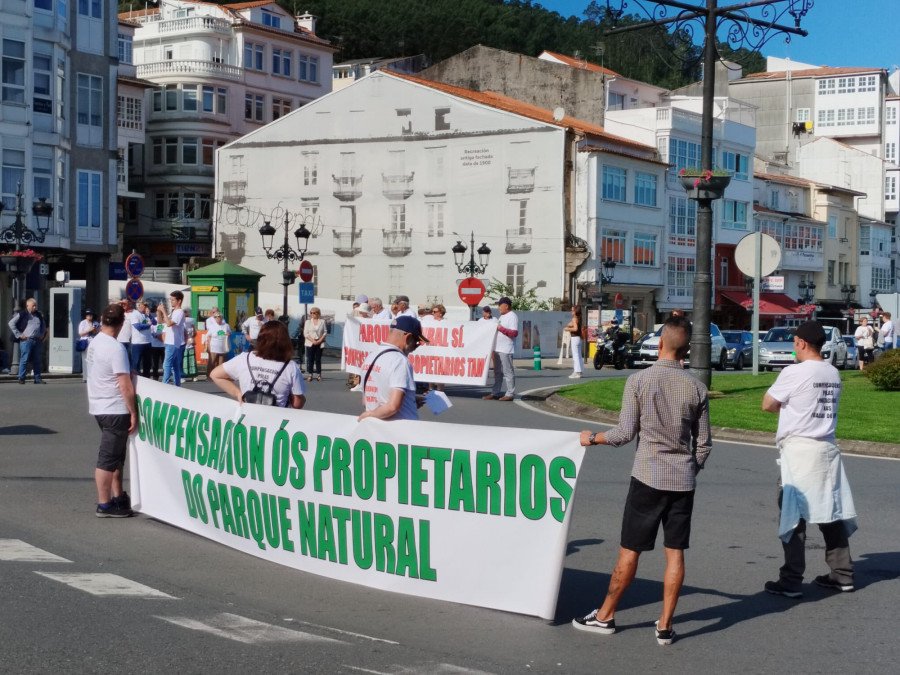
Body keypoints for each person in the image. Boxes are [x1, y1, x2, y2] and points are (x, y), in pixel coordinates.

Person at [573, 315, 711, 646]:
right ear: (687, 350)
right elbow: (703, 444)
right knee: (675, 553)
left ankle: (605, 615)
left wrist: (591, 438)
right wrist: (690, 468)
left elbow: (623, 434)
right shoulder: (697, 387)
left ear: (660, 343)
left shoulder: (638, 381)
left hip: (647, 477)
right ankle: (665, 624)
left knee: (630, 551)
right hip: (682, 482)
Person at [761, 320, 857, 598]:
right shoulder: (832, 372)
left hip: (799, 450)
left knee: (793, 515)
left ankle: (791, 580)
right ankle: (842, 574)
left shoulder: (794, 372)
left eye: (794, 341)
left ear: (801, 343)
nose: (793, 345)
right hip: (826, 448)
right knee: (830, 512)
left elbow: (767, 404)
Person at [84, 303, 137, 518]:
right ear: (121, 324)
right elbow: (124, 384)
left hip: (98, 404)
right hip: (114, 407)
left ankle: (118, 495)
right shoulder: (116, 348)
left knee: (116, 455)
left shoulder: (96, 342)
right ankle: (104, 504)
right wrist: (132, 411)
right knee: (108, 457)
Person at [210, 321, 306, 409]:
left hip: (249, 417)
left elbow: (215, 374)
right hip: (277, 420)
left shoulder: (244, 358)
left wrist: (238, 393)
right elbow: (297, 404)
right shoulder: (290, 366)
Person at [358, 315, 428, 421]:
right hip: (400, 429)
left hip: (375, 427)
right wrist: (369, 415)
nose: (416, 347)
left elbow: (366, 401)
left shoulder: (370, 357)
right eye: (417, 342)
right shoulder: (400, 361)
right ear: (408, 337)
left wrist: (410, 401)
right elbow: (392, 406)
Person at [483, 297, 518, 401]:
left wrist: (501, 329)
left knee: (508, 372)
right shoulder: (502, 316)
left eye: (500, 305)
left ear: (506, 306)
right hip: (497, 348)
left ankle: (510, 393)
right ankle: (495, 392)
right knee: (497, 372)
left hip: (506, 349)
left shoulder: (512, 316)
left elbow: (514, 333)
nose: (498, 307)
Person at [8, 297, 48, 384]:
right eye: (33, 306)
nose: (35, 307)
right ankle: (21, 377)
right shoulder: (23, 314)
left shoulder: (38, 314)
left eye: (35, 306)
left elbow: (43, 325)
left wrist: (42, 334)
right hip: (26, 340)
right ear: (27, 306)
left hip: (36, 340)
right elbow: (11, 323)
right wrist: (18, 334)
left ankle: (37, 378)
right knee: (24, 359)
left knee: (37, 360)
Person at [157, 290, 186, 386]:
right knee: (174, 366)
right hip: (169, 341)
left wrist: (164, 311)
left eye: (173, 300)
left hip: (173, 342)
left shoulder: (179, 312)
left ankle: (164, 385)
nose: (171, 302)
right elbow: (161, 322)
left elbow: (169, 324)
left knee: (167, 364)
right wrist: (158, 311)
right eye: (170, 300)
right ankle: (177, 385)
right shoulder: (173, 312)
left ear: (179, 301)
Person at [129, 300, 153, 377]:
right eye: (144, 305)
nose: (146, 307)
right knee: (136, 363)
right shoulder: (134, 314)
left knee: (147, 363)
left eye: (146, 305)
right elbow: (137, 326)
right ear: (138, 305)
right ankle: (135, 379)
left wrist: (149, 315)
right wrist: (148, 325)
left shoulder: (145, 315)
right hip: (138, 343)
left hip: (147, 342)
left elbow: (155, 322)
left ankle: (147, 378)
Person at [303, 306, 326, 382]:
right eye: (311, 313)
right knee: (310, 359)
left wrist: (319, 340)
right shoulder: (308, 322)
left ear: (318, 314)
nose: (312, 314)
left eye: (314, 313)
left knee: (318, 359)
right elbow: (305, 333)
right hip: (310, 342)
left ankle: (319, 374)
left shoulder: (322, 321)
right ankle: (310, 374)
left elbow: (325, 332)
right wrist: (313, 341)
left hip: (319, 342)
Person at [565, 305, 584, 379]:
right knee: (578, 355)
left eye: (572, 310)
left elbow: (575, 328)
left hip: (575, 338)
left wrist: (567, 329)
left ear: (575, 311)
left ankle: (577, 372)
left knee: (575, 355)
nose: (571, 311)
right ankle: (579, 371)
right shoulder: (579, 318)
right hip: (579, 338)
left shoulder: (574, 318)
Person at [116, 298, 133, 365]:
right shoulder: (118, 313)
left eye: (125, 303)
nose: (124, 305)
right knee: (120, 360)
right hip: (119, 340)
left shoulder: (133, 313)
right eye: (122, 304)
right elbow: (109, 311)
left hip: (130, 341)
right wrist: (118, 302)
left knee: (129, 360)